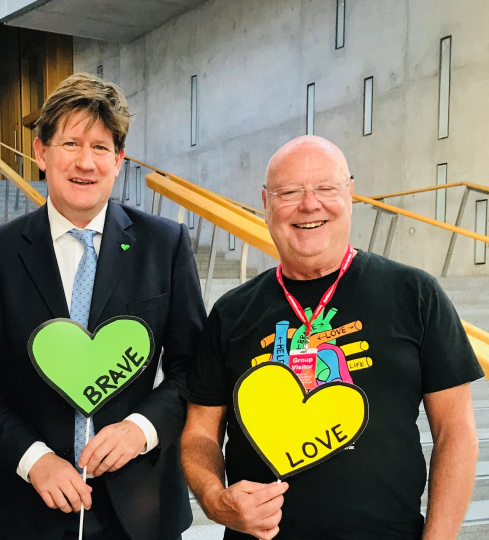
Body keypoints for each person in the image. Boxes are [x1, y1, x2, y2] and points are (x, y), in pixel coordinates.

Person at [180, 135, 482, 539]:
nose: (309, 204)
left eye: (325, 188)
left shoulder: (415, 294)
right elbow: (200, 431)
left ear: (350, 194)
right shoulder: (231, 313)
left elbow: (456, 431)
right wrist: (216, 500)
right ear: (266, 203)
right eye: (289, 192)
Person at [0, 73, 206, 540]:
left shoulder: (163, 245)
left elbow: (193, 368)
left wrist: (140, 428)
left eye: (101, 147)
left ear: (119, 159)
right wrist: (36, 460)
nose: (85, 162)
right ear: (40, 152)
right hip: (30, 504)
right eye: (70, 143)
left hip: (141, 507)